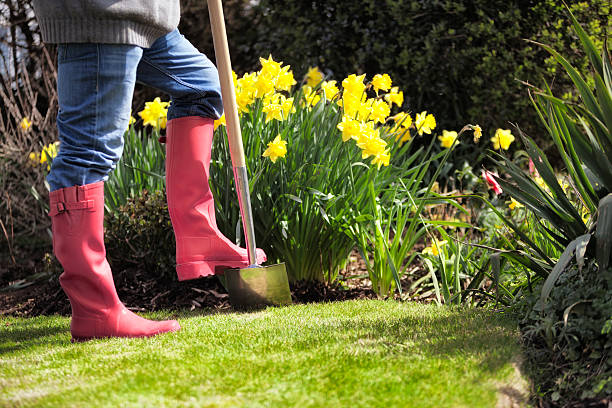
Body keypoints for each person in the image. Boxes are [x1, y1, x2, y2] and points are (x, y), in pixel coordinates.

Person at [31, 1, 266, 342]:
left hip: (147, 14)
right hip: (105, 14)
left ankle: (199, 238)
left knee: (202, 88)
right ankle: (95, 311)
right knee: (88, 153)